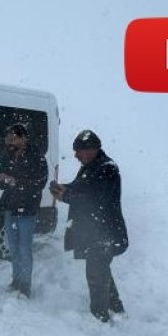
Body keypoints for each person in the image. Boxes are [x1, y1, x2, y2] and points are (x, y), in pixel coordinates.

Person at [49, 130, 128, 322]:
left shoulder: (107, 168)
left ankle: (100, 317)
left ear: (91, 150)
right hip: (95, 231)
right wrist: (65, 188)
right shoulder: (91, 166)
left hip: (104, 232)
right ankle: (116, 308)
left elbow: (96, 199)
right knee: (101, 270)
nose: (75, 155)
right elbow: (81, 187)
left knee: (95, 273)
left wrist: (65, 196)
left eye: (78, 151)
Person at [0, 123, 49, 298]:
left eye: (13, 137)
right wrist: (2, 179)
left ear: (23, 138)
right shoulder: (8, 156)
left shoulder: (37, 158)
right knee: (13, 248)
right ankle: (16, 281)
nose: (9, 141)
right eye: (8, 137)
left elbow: (39, 184)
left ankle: (25, 285)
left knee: (24, 249)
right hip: (9, 207)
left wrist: (15, 182)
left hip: (26, 209)